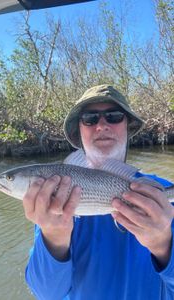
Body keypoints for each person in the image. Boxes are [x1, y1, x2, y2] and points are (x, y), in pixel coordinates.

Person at [23, 85, 174, 300]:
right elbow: (47, 294)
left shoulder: (163, 196)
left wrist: (164, 246)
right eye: (90, 119)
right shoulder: (52, 201)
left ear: (128, 127)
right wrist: (54, 238)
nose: (102, 126)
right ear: (79, 131)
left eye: (114, 116)